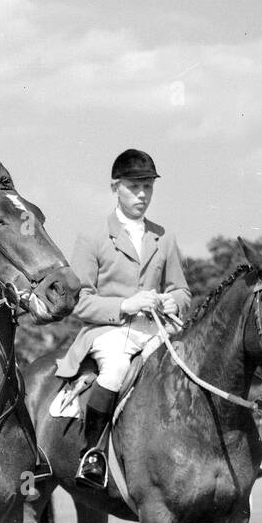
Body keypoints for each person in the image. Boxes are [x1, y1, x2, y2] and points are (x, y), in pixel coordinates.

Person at [59, 148, 191, 489]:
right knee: (116, 369)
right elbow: (79, 302)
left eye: (148, 186)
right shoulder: (93, 236)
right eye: (135, 187)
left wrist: (170, 301)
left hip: (157, 330)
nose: (143, 194)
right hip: (109, 331)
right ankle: (93, 454)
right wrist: (125, 305)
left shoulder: (164, 236)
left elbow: (182, 291)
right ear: (115, 187)